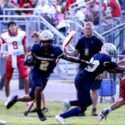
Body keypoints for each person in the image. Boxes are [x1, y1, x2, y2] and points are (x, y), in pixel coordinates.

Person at [5, 29, 88, 121]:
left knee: (30, 97)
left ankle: (16, 99)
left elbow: (68, 58)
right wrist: (28, 60)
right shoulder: (36, 48)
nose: (46, 44)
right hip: (36, 71)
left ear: (51, 41)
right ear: (41, 42)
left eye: (48, 42)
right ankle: (39, 110)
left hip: (45, 75)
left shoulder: (56, 50)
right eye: (44, 42)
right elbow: (28, 58)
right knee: (38, 88)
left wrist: (81, 61)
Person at [55, 43, 125, 125]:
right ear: (109, 51)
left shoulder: (96, 55)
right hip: (84, 81)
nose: (113, 54)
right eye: (112, 52)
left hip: (82, 79)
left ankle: (69, 103)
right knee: (82, 108)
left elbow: (110, 70)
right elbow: (119, 69)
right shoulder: (107, 58)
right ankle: (61, 116)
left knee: (88, 101)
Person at [63, 21, 103, 116]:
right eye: (86, 28)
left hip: (95, 69)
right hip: (83, 69)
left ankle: (94, 110)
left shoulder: (98, 41)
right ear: (83, 29)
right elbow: (75, 54)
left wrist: (102, 72)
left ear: (93, 29)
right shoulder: (81, 41)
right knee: (81, 90)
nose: (87, 30)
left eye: (89, 29)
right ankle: (81, 109)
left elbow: (102, 56)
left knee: (94, 89)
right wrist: (67, 52)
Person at [0, 21, 29, 105]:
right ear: (8, 28)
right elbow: (1, 45)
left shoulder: (22, 34)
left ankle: (27, 97)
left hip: (20, 57)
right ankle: (8, 98)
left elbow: (25, 46)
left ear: (16, 27)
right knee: (7, 78)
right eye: (11, 27)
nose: (12, 28)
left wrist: (26, 56)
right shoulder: (4, 36)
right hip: (11, 57)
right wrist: (3, 54)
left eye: (14, 26)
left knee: (25, 77)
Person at [24, 31, 48, 116]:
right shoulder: (31, 47)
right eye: (33, 37)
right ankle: (38, 105)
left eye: (36, 37)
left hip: (39, 70)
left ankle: (42, 107)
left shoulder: (41, 46)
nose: (35, 39)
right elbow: (27, 57)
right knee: (36, 89)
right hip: (32, 69)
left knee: (39, 88)